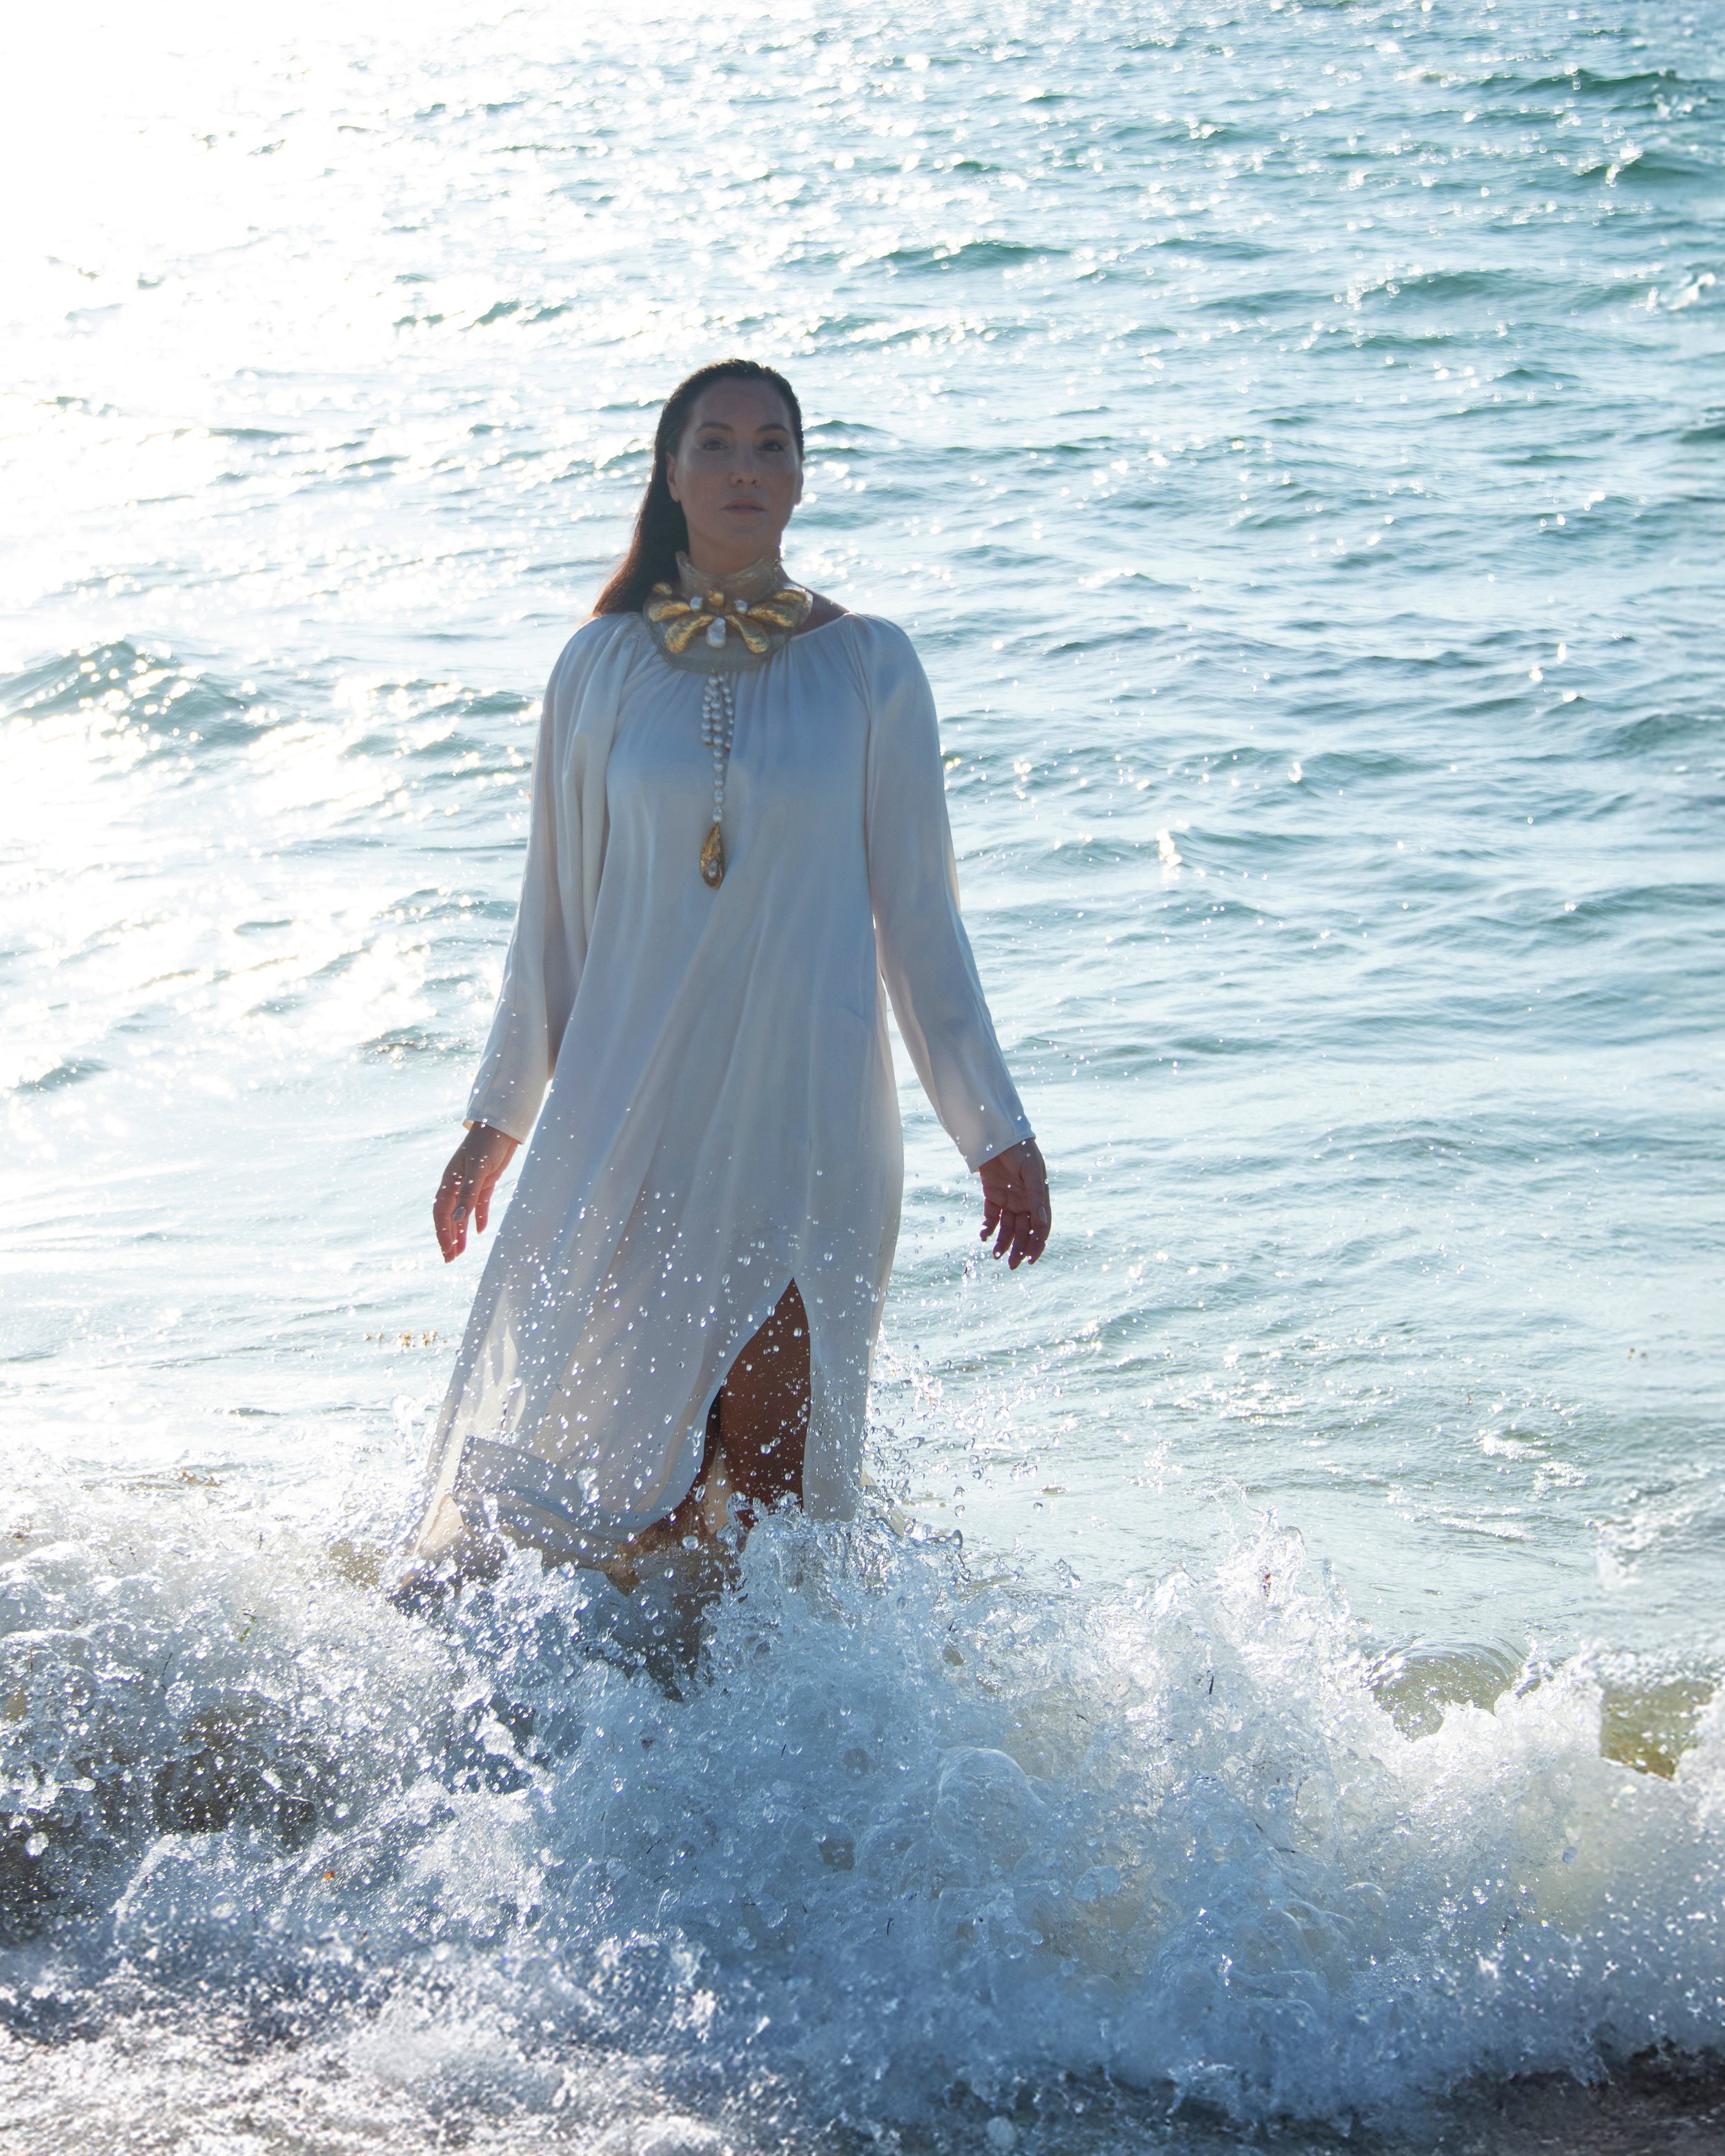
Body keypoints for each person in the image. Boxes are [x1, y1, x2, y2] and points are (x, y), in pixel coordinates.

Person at [404, 358, 1049, 1594]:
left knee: (769, 1506)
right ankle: (605, 1759)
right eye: (718, 444)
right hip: (628, 1110)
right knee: (613, 1489)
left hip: (807, 1116)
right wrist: (495, 1124)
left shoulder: (873, 667)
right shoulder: (596, 667)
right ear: (671, 470)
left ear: (803, 477)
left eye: (771, 446)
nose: (745, 468)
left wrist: (993, 1132)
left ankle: (768, 1770)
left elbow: (922, 921)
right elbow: (551, 921)